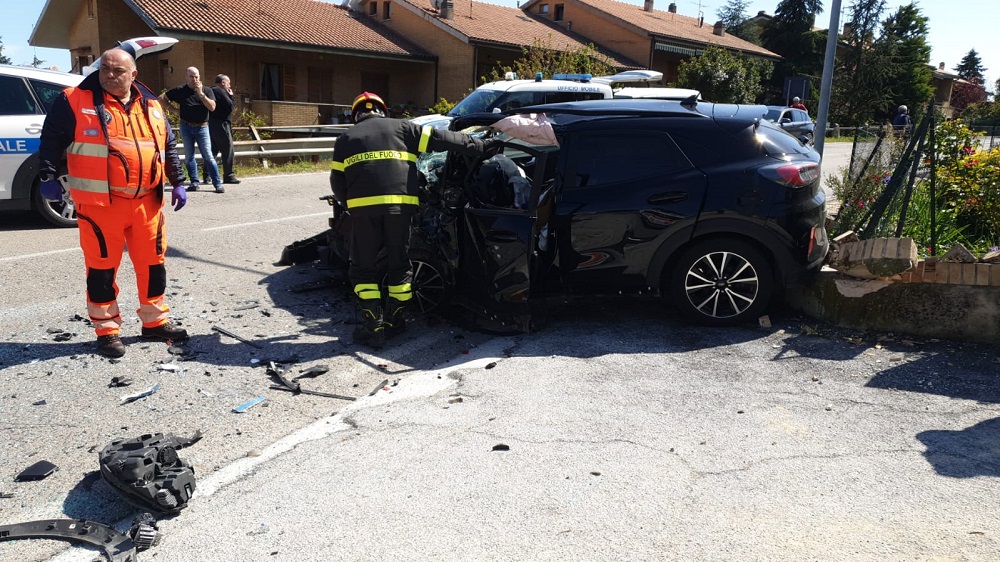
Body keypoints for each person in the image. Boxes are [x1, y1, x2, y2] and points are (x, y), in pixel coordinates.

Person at [37, 47, 190, 358]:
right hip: (100, 206)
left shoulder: (151, 104)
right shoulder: (74, 100)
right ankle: (107, 330)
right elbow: (51, 138)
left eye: (118, 70)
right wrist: (47, 176)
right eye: (105, 68)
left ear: (133, 75)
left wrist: (178, 181)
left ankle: (155, 321)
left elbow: (168, 144)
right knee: (102, 269)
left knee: (153, 265)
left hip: (147, 203)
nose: (109, 74)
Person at [330, 92, 500, 348]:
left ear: (356, 114)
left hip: (363, 212)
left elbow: (337, 182)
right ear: (383, 110)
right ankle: (394, 321)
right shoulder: (403, 128)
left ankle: (372, 325)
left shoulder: (345, 139)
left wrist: (349, 204)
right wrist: (481, 147)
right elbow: (444, 139)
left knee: (362, 268)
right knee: (399, 265)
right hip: (401, 209)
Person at [161, 67, 225, 193]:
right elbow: (161, 98)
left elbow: (212, 107)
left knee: (208, 156)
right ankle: (194, 182)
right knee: (189, 157)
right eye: (192, 77)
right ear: (186, 77)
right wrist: (173, 110)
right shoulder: (180, 90)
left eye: (196, 76)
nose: (195, 79)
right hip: (186, 126)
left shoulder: (207, 90)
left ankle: (217, 183)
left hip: (202, 126)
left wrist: (201, 94)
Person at [207, 74, 240, 185]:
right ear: (223, 83)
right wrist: (231, 96)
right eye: (228, 83)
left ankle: (207, 175)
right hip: (222, 124)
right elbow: (230, 106)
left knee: (212, 150)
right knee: (228, 149)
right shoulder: (221, 91)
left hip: (210, 124)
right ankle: (229, 175)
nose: (229, 86)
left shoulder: (210, 91)